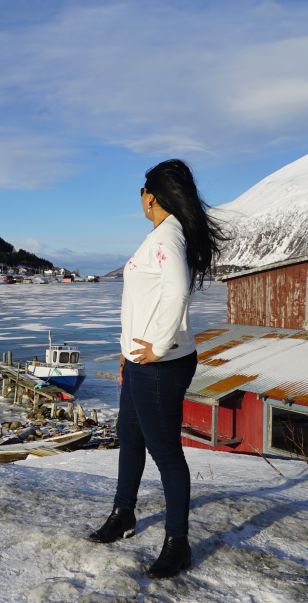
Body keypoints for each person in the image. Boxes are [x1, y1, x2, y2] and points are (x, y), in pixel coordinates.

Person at [89, 159, 227, 579]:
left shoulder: (167, 237)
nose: (141, 201)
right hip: (140, 361)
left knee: (165, 450)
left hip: (161, 363)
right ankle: (123, 513)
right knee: (129, 436)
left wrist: (160, 344)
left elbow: (177, 290)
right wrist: (127, 351)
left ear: (151, 196)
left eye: (141, 194)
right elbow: (143, 302)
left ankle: (177, 544)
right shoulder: (162, 236)